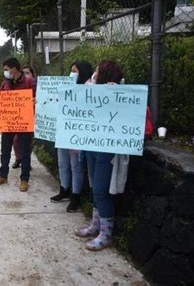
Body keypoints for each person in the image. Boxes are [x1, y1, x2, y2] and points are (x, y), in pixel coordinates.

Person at [74, 60, 123, 251]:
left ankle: (106, 234)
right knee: (96, 188)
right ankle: (96, 226)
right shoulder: (92, 89)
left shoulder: (118, 92)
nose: (94, 73)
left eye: (97, 71)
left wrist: (116, 91)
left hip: (106, 149)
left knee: (102, 190)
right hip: (92, 146)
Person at [50, 61, 94, 212]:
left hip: (78, 133)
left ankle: (76, 196)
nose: (72, 74)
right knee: (62, 163)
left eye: (75, 71)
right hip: (64, 130)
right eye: (71, 71)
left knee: (75, 166)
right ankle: (64, 189)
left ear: (83, 72)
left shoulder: (90, 89)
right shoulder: (67, 87)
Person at [0, 58, 36, 192]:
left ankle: (24, 179)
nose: (5, 72)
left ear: (14, 68)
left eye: (6, 69)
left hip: (24, 122)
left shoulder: (29, 81)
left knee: (25, 152)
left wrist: (34, 100)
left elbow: (39, 97)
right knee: (5, 150)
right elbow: (0, 97)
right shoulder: (5, 83)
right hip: (8, 122)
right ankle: (3, 175)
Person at [11, 65, 36, 169]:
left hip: (30, 114)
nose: (25, 75)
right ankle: (18, 158)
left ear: (32, 74)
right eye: (24, 73)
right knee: (16, 139)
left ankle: (26, 160)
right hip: (17, 114)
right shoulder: (15, 83)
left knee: (28, 140)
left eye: (28, 73)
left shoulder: (33, 83)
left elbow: (37, 95)